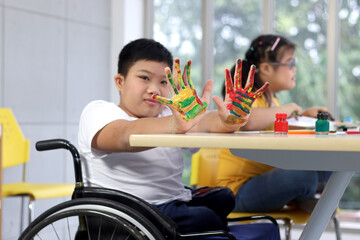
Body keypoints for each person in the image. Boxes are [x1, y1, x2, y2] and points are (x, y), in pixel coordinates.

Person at [78, 38, 268, 233]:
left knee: (224, 198)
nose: (154, 89)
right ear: (120, 81)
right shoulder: (99, 111)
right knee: (206, 219)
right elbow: (124, 134)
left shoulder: (169, 115)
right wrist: (174, 125)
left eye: (163, 82)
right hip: (130, 212)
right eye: (144, 78)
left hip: (173, 201)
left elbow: (203, 123)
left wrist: (228, 120)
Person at [215, 34, 332, 213]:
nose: (294, 69)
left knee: (334, 167)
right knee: (305, 176)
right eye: (290, 63)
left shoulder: (273, 102)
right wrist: (289, 109)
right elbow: (247, 120)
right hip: (235, 193)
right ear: (266, 68)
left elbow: (276, 127)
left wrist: (306, 117)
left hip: (265, 181)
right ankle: (305, 195)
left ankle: (304, 195)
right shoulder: (247, 96)